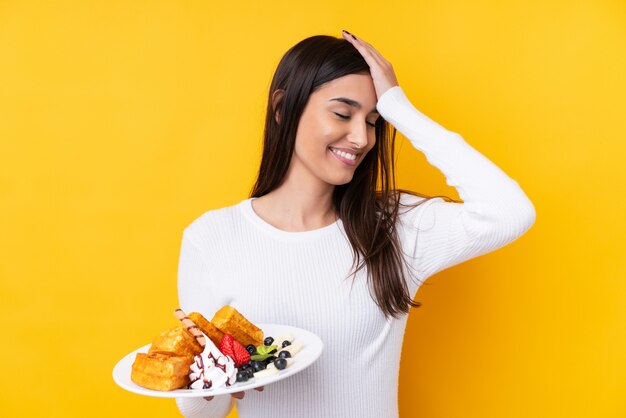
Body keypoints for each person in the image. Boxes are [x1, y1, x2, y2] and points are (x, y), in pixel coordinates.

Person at [175, 30, 536, 417]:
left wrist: (401, 109)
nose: (362, 137)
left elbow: (510, 212)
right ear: (283, 109)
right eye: (343, 114)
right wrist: (208, 366)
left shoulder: (395, 228)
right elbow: (201, 412)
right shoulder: (211, 238)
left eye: (374, 121)